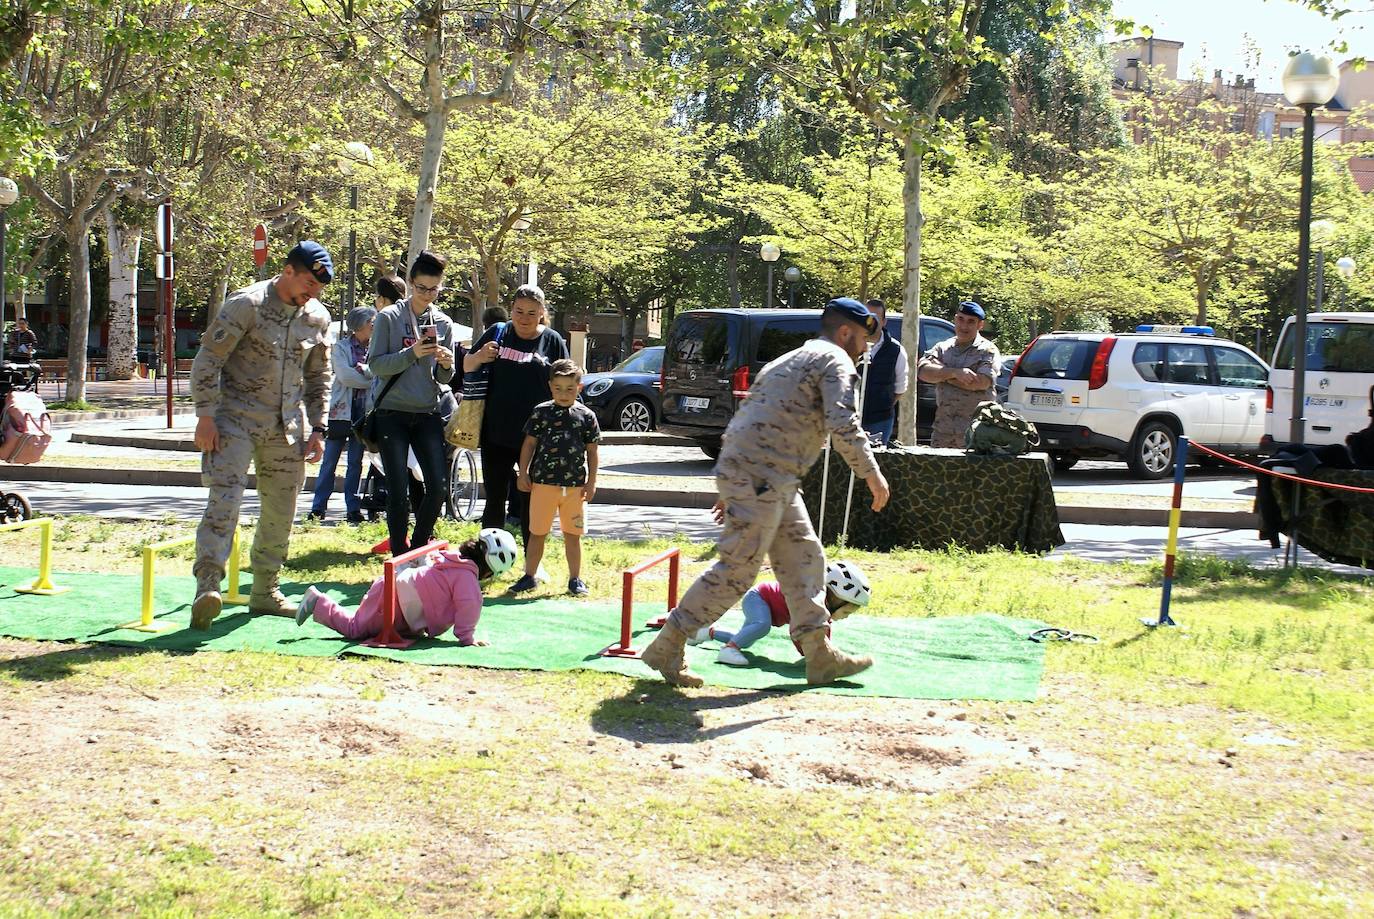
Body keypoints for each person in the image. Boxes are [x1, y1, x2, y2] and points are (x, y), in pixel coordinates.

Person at [640, 298, 891, 687]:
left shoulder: (785, 361)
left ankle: (818, 653)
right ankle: (668, 643)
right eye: (861, 339)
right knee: (738, 570)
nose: (863, 349)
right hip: (764, 477)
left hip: (765, 475)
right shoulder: (835, 361)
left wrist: (733, 482)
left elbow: (747, 416)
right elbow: (843, 422)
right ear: (846, 333)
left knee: (805, 556)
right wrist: (872, 475)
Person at [189, 240, 335, 629]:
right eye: (308, 282)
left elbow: (320, 377)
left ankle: (265, 590)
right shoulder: (247, 305)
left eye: (318, 287)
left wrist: (318, 428)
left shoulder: (317, 317)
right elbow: (207, 361)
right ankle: (208, 584)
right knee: (225, 501)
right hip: (233, 421)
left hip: (286, 427)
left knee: (281, 510)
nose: (313, 292)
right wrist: (205, 416)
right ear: (287, 271)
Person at [464, 284, 569, 551]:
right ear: (511, 310)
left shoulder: (552, 340)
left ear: (542, 313)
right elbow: (466, 366)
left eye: (532, 313)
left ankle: (530, 562)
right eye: (519, 311)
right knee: (495, 498)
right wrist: (480, 355)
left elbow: (567, 382)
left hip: (535, 438)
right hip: (495, 432)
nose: (524, 318)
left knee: (530, 500)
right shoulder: (497, 332)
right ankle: (488, 557)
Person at [366, 251, 457, 556]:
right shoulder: (389, 318)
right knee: (397, 490)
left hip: (427, 411)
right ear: (410, 284)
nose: (427, 295)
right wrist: (412, 353)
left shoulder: (443, 322)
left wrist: (446, 362)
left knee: (437, 485)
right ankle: (397, 554)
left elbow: (446, 377)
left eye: (434, 289)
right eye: (421, 288)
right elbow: (375, 365)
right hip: (392, 412)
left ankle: (417, 548)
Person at [295, 528, 519, 644]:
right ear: (489, 571)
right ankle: (317, 602)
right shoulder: (468, 579)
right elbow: (469, 606)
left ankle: (319, 603)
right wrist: (467, 638)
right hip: (393, 597)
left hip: (398, 598)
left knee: (385, 628)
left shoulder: (454, 561)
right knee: (356, 630)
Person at [513, 359, 600, 595]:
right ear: (551, 386)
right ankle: (529, 576)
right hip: (543, 484)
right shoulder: (541, 413)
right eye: (558, 388)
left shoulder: (587, 416)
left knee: (573, 535)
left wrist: (591, 482)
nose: (564, 394)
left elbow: (592, 451)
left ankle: (575, 579)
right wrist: (523, 472)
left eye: (570, 389)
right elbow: (529, 444)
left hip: (574, 488)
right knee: (537, 533)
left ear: (579, 387)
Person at [689, 561, 871, 666]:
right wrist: (809, 654)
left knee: (747, 638)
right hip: (759, 597)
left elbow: (822, 638)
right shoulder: (807, 602)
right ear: (833, 599)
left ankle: (706, 632)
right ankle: (728, 650)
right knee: (761, 626)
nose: (847, 616)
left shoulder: (822, 614)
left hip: (764, 603)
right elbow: (796, 631)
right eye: (846, 610)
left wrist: (821, 653)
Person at [308, 304, 376, 524]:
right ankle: (318, 508)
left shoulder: (376, 348)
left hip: (363, 412)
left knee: (356, 463)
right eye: (371, 322)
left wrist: (365, 373)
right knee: (330, 461)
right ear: (360, 326)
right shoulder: (341, 347)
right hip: (340, 410)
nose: (374, 326)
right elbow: (346, 377)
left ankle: (352, 509)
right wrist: (369, 377)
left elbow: (379, 375)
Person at [917, 300, 1000, 449]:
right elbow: (923, 371)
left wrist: (942, 375)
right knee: (939, 472)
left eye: (970, 322)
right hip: (943, 432)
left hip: (976, 434)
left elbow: (981, 382)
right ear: (955, 319)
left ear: (980, 325)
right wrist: (955, 373)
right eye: (960, 319)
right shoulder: (943, 347)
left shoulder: (987, 350)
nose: (964, 326)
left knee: (973, 473)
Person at [860, 298, 908, 446]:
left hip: (880, 421)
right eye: (867, 318)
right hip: (850, 418)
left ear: (884, 321)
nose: (871, 323)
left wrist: (882, 405)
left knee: (877, 462)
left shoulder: (896, 350)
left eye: (875, 318)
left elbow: (900, 388)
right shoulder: (850, 345)